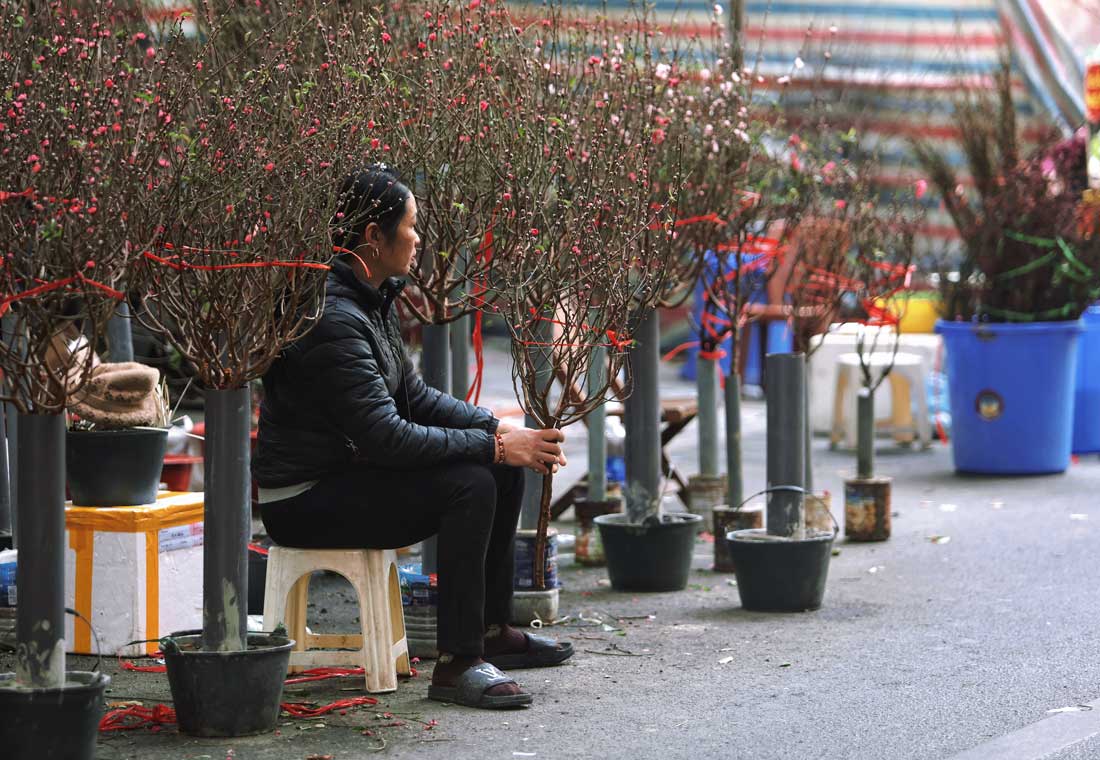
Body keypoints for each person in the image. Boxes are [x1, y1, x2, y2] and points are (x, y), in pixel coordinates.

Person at [253, 164, 573, 709]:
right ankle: (457, 664)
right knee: (471, 482)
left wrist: (499, 431)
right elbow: (388, 438)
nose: (418, 237)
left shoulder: (371, 300)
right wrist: (493, 445)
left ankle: (492, 631)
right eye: (411, 225)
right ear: (373, 237)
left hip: (345, 474)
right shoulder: (333, 315)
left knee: (499, 466)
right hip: (304, 497)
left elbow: (414, 399)